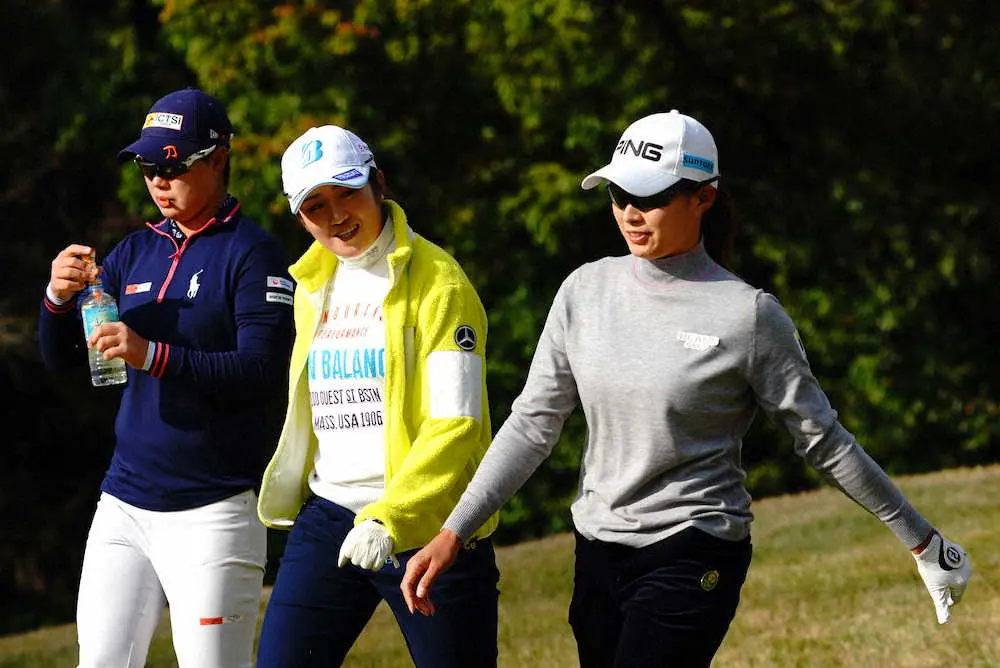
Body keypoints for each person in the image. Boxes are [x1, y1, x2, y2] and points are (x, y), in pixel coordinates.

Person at [401, 110, 973, 667]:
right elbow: (532, 423)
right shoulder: (583, 290)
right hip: (597, 549)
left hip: (694, 547)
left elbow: (823, 441)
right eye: (618, 194)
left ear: (703, 197)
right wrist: (455, 530)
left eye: (650, 197)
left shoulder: (748, 315)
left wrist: (924, 543)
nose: (630, 213)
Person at [37, 87, 295, 668]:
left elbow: (260, 370)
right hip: (124, 504)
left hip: (213, 509)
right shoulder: (133, 252)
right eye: (148, 166)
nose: (158, 179)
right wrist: (56, 298)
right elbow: (63, 361)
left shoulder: (254, 252)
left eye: (174, 165)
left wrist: (152, 355)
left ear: (219, 159)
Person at [254, 124, 500, 667]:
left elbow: (456, 423)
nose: (336, 215)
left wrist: (389, 519)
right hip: (331, 514)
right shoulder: (311, 285)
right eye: (315, 206)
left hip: (429, 523)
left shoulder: (442, 283)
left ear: (378, 184)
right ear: (300, 218)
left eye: (347, 192)